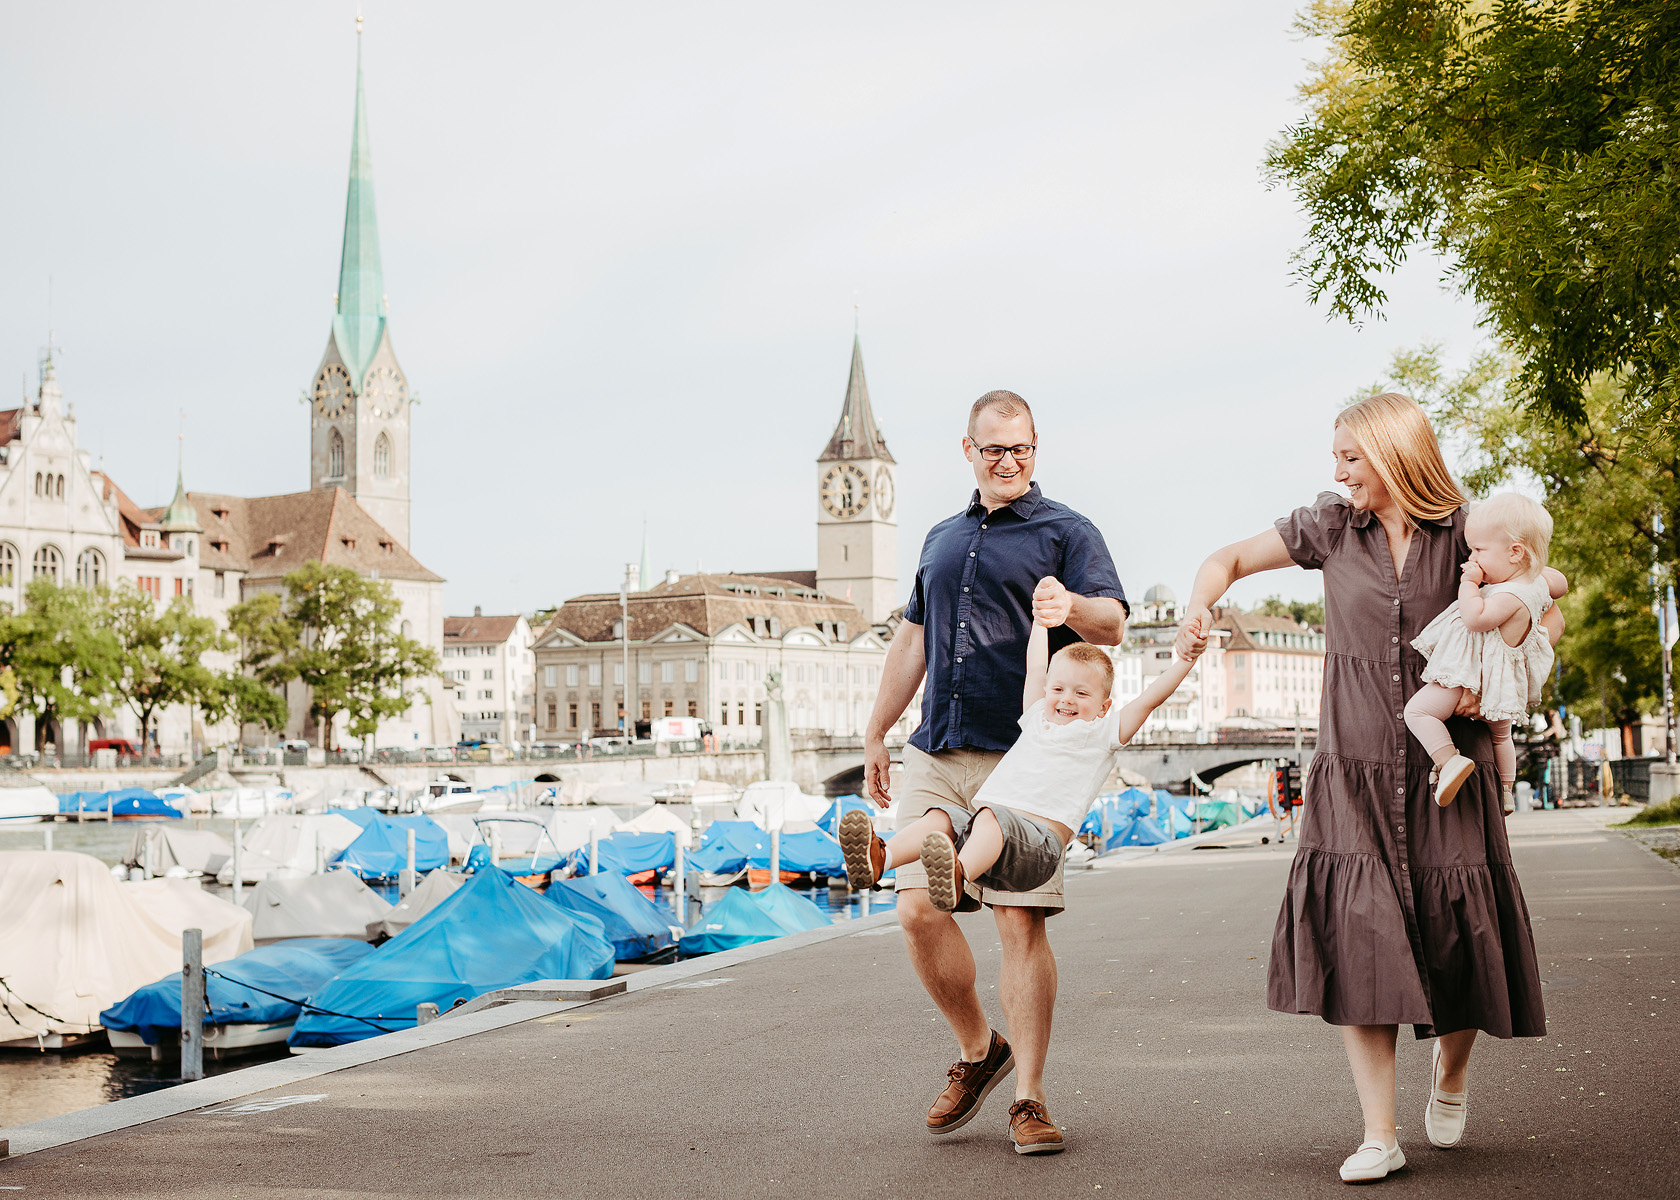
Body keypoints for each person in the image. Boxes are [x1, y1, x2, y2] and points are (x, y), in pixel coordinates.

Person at [1174, 393, 1565, 1184]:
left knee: (1465, 932)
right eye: (1337, 456)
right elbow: (1229, 560)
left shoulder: (1468, 530)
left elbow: (1544, 601)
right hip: (1350, 765)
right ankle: (1379, 1134)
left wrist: (1510, 671)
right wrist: (1196, 603)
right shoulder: (1327, 528)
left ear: (1394, 454)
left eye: (1351, 456)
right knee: (1361, 941)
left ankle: (1451, 1071)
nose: (1339, 470)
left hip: (1445, 765)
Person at [862, 389, 1126, 1155]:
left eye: (1022, 449)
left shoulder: (1066, 531)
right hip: (936, 746)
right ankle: (982, 1049)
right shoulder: (941, 539)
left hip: (1024, 761)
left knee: (1017, 923)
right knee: (916, 911)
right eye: (994, 449)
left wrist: (1070, 600)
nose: (1009, 461)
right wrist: (877, 729)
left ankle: (1030, 1099)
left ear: (1035, 449)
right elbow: (913, 638)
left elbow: (1111, 621)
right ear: (968, 451)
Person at [843, 596, 1201, 925]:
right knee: (943, 815)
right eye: (1058, 689)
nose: (1066, 700)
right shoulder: (1036, 718)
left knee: (991, 819)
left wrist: (1185, 659)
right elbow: (1034, 669)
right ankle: (882, 859)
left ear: (1104, 707)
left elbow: (1151, 698)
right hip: (990, 834)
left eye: (1081, 693)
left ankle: (957, 875)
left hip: (1038, 847)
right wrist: (1041, 621)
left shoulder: (1103, 733)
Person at [1404, 493, 1556, 810]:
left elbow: (1475, 619)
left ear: (1515, 552)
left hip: (1472, 677)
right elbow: (1561, 583)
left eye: (1479, 550)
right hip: (1502, 686)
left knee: (1418, 712)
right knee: (1501, 737)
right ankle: (1505, 790)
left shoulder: (1511, 594)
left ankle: (1448, 760)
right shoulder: (1534, 584)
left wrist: (1469, 584)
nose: (1472, 558)